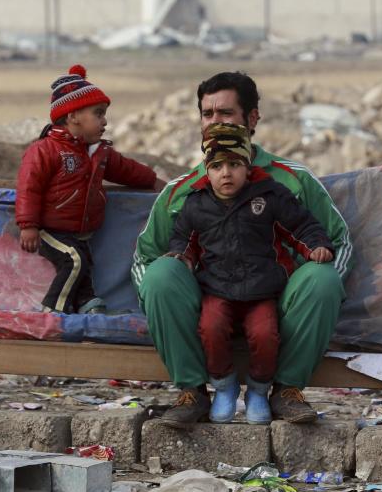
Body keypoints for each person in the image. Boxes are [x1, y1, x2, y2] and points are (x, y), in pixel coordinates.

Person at [132, 71, 352, 428]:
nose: (214, 122)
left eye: (226, 113)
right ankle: (192, 392)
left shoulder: (290, 181)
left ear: (252, 119)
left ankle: (286, 391)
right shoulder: (182, 192)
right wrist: (167, 298)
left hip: (275, 298)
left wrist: (307, 302)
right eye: (207, 114)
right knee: (159, 276)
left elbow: (337, 242)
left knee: (323, 279)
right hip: (209, 301)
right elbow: (145, 258)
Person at [166, 122, 336, 425]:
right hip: (216, 288)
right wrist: (181, 256)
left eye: (234, 164)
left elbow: (301, 226)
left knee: (265, 334)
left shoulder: (270, 195)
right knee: (211, 327)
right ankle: (225, 387)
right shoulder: (196, 203)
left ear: (248, 167)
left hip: (262, 290)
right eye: (217, 166)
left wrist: (316, 246)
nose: (226, 173)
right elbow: (183, 238)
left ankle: (258, 391)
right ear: (207, 171)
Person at [17, 64, 165, 314]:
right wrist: (28, 225)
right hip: (50, 229)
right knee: (75, 261)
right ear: (73, 116)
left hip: (80, 231)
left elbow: (127, 170)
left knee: (83, 263)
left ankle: (87, 304)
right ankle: (54, 310)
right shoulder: (44, 150)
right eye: (98, 113)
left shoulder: (98, 152)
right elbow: (29, 188)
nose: (105, 121)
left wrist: (155, 183)